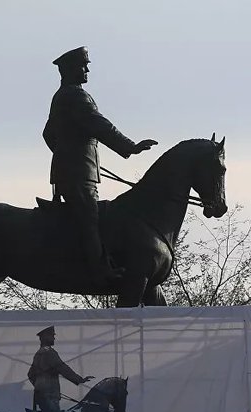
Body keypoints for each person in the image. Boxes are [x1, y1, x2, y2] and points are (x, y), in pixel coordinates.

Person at [43, 46, 157, 283]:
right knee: (89, 216)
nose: (86, 71)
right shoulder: (75, 96)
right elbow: (100, 125)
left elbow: (48, 135)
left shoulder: (62, 96)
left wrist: (66, 154)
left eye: (86, 66)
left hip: (75, 170)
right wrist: (130, 146)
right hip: (78, 173)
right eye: (83, 66)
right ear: (71, 69)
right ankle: (98, 269)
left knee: (89, 215)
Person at [28, 326, 92, 412]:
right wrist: (79, 379)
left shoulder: (39, 353)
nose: (54, 338)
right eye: (52, 336)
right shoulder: (49, 352)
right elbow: (62, 368)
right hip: (49, 393)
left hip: (42, 393)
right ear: (45, 337)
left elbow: (30, 374)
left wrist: (38, 386)